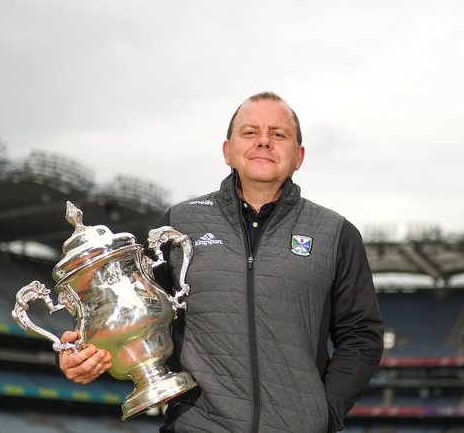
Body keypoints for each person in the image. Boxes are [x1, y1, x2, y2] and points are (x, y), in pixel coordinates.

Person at [59, 91, 384, 433]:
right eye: (249, 132)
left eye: (278, 134)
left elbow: (361, 335)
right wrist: (78, 353)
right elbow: (128, 310)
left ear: (298, 156)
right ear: (227, 151)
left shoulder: (335, 233)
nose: (263, 142)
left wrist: (323, 414)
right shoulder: (177, 225)